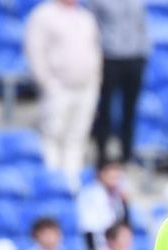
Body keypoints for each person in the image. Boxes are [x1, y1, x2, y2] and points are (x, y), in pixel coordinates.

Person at [24, 0, 102, 189]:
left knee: (77, 135)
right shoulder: (43, 14)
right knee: (53, 134)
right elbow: (35, 50)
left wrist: (95, 80)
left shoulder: (85, 16)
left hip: (85, 87)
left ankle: (71, 184)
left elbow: (95, 49)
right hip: (58, 86)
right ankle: (52, 182)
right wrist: (46, 82)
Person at [88, 0, 149, 163]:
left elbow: (141, 23)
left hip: (135, 56)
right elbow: (91, 25)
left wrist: (143, 50)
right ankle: (102, 152)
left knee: (130, 108)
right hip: (109, 56)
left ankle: (127, 152)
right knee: (105, 106)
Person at [77, 159, 131, 250]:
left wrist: (125, 204)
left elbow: (124, 223)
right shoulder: (90, 194)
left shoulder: (116, 195)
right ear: (101, 174)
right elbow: (88, 228)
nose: (115, 179)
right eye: (112, 175)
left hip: (116, 248)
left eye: (117, 176)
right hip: (99, 248)